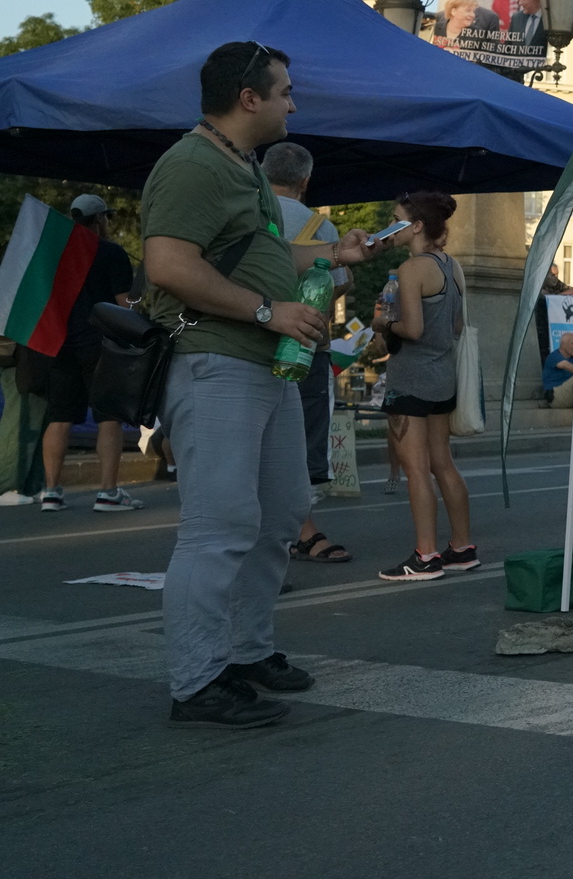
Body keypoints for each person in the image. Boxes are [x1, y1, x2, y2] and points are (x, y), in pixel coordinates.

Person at [143, 41, 376, 727]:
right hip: (217, 361)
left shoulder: (237, 165)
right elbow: (167, 265)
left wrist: (336, 251)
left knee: (277, 516)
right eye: (284, 91)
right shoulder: (190, 165)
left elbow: (268, 251)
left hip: (263, 364)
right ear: (250, 98)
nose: (292, 103)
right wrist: (270, 310)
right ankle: (196, 681)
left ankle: (246, 652)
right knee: (218, 528)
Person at [372, 191, 477, 581]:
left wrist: (382, 322)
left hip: (411, 379)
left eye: (396, 218)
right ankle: (462, 548)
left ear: (415, 226)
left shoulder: (412, 268)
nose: (390, 226)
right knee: (442, 463)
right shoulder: (451, 266)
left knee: (416, 468)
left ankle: (426, 556)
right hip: (442, 377)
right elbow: (456, 327)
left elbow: (411, 328)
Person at [263, 142, 352, 565]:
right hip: (304, 346)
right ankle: (301, 529)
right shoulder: (319, 225)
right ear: (305, 181)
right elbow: (337, 281)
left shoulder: (253, 214)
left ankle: (275, 529)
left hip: (253, 339)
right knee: (302, 441)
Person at [35, 194, 141, 513]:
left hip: (60, 344)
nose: (108, 223)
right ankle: (108, 493)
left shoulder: (54, 255)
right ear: (98, 220)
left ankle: (51, 493)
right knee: (108, 416)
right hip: (102, 344)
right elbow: (125, 304)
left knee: (60, 417)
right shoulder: (110, 252)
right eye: (106, 218)